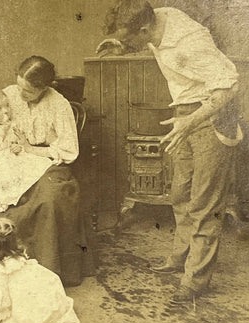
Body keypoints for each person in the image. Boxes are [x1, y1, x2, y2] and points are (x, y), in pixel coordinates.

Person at [97, 1, 241, 303]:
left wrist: (190, 122)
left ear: (146, 30)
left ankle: (195, 280)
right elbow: (145, 37)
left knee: (204, 203)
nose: (129, 45)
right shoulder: (157, 17)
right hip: (184, 113)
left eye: (130, 40)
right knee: (180, 194)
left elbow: (228, 89)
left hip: (210, 116)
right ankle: (180, 256)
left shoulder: (190, 42)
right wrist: (121, 45)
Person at [0, 56, 95, 293]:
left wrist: (31, 149)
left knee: (50, 197)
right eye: (19, 86)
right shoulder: (10, 94)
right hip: (10, 159)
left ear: (43, 88)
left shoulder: (59, 105)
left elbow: (68, 151)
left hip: (47, 162)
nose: (20, 94)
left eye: (27, 91)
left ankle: (46, 270)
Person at [0, 217, 80, 323]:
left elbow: (0, 301)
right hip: (35, 292)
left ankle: (28, 319)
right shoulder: (15, 257)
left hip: (24, 304)